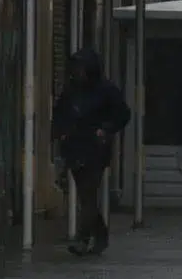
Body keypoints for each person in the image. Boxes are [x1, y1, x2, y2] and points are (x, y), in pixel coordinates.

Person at [52, 49, 131, 256]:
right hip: (75, 147)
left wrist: (105, 128)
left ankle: (83, 238)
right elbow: (60, 113)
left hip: (96, 149)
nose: (78, 72)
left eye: (81, 68)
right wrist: (60, 133)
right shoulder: (71, 91)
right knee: (86, 196)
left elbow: (123, 114)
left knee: (88, 192)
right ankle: (100, 234)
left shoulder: (106, 90)